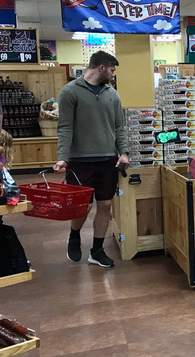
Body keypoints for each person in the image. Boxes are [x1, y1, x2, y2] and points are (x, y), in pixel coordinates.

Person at [53, 51, 129, 268]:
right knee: (82, 207)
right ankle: (74, 236)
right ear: (102, 68)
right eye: (112, 70)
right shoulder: (70, 92)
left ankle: (97, 250)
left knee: (105, 204)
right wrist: (62, 157)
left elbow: (118, 127)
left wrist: (123, 152)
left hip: (107, 160)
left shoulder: (112, 95)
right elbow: (65, 128)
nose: (113, 75)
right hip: (79, 161)